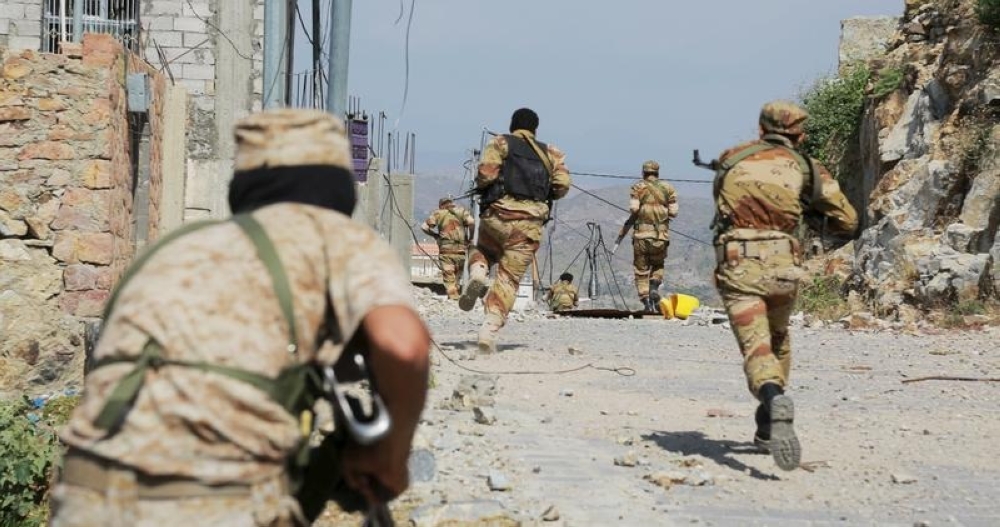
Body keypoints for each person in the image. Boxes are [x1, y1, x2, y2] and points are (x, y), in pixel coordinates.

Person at [49, 109, 431, 526]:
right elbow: (403, 345)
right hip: (216, 500)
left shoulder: (173, 252)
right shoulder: (336, 238)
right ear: (339, 188)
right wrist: (390, 457)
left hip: (87, 495)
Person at [712, 100, 857, 471]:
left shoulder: (732, 156)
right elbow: (847, 220)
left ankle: (772, 398)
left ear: (761, 130)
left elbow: (722, 200)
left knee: (756, 345)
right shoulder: (808, 167)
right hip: (783, 261)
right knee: (778, 340)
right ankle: (765, 426)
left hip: (738, 261)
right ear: (800, 135)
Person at [459, 107, 571, 353]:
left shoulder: (500, 143)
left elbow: (486, 174)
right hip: (528, 226)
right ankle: (488, 328)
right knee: (508, 280)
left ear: (513, 126)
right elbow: (562, 185)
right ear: (535, 129)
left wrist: (484, 187)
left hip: (498, 215)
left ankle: (478, 272)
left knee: (481, 249)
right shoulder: (551, 152)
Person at [628, 160, 679, 313]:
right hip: (661, 237)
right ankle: (654, 287)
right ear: (657, 173)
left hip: (641, 236)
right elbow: (674, 212)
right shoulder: (668, 188)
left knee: (641, 270)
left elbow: (633, 208)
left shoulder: (638, 187)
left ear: (643, 172)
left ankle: (646, 303)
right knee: (658, 265)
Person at [421, 195, 475, 300]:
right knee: (457, 276)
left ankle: (453, 299)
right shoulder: (462, 211)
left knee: (449, 277)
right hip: (461, 250)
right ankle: (456, 297)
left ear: (441, 205)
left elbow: (424, 227)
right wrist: (470, 238)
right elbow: (472, 223)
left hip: (446, 249)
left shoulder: (439, 213)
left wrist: (435, 235)